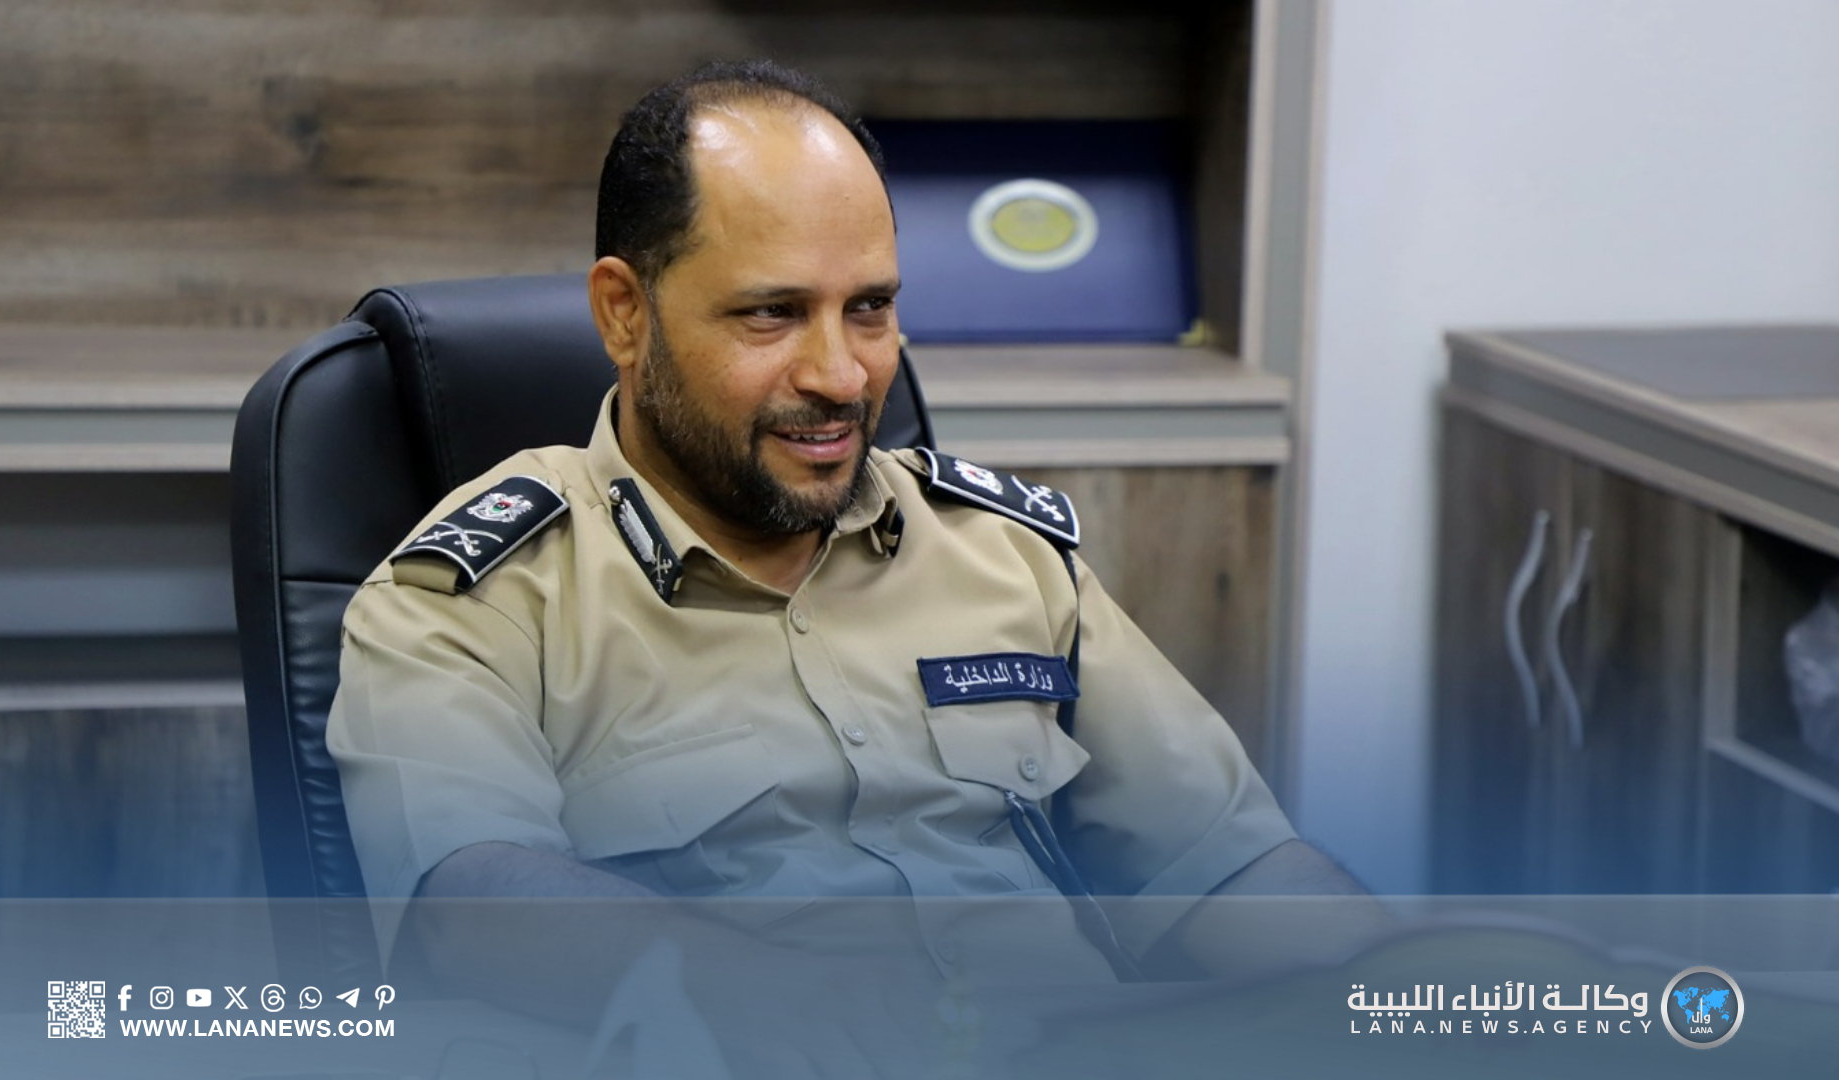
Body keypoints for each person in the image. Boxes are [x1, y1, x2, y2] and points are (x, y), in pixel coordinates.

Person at [325, 59, 1379, 1064]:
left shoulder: (1003, 552)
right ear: (625, 313)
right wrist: (764, 993)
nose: (841, 375)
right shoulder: (478, 597)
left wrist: (1393, 983)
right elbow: (465, 898)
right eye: (773, 313)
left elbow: (1229, 867)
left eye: (869, 308)